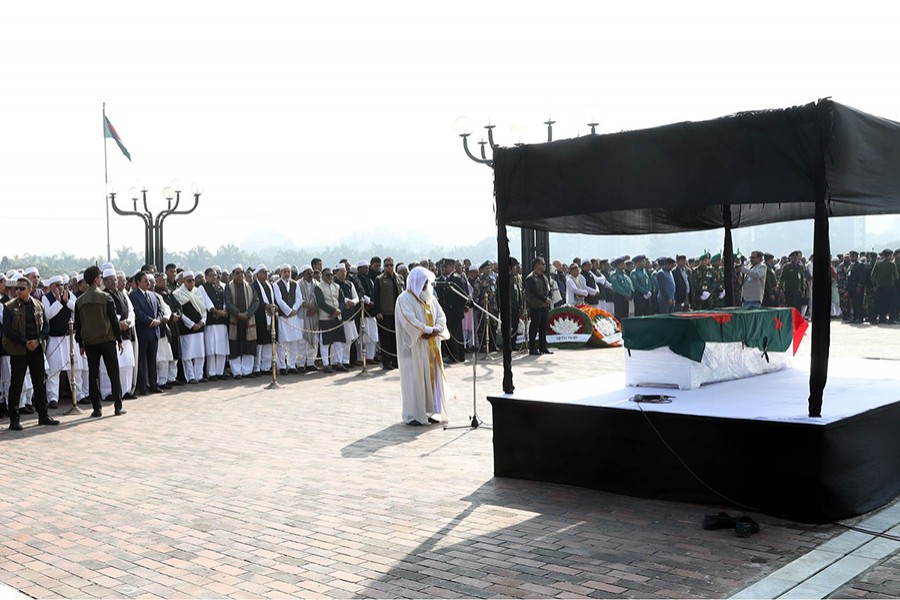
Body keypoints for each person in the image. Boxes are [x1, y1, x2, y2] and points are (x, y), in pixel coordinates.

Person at [396, 266, 450, 426]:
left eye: (428, 282)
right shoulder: (404, 299)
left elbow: (441, 316)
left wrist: (437, 329)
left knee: (433, 380)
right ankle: (413, 414)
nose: (427, 285)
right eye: (424, 282)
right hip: (415, 349)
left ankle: (434, 412)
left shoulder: (430, 298)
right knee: (415, 380)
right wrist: (428, 330)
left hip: (432, 346)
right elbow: (409, 320)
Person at [3, 277, 59, 430]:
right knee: (16, 384)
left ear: (29, 289)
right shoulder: (9, 307)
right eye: (17, 289)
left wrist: (38, 340)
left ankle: (43, 415)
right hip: (19, 349)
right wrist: (24, 342)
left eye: (21, 288)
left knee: (39, 383)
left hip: (36, 349)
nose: (18, 291)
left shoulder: (38, 305)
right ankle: (14, 419)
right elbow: (8, 329)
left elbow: (46, 327)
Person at [74, 266, 125, 419]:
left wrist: (81, 344)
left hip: (90, 342)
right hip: (107, 340)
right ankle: (118, 406)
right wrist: (119, 340)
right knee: (114, 374)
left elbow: (78, 324)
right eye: (100, 277)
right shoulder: (106, 297)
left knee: (92, 375)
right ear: (96, 279)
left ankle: (97, 409)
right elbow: (114, 321)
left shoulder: (79, 301)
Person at [41, 275, 86, 408]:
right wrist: (58, 303)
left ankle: (79, 395)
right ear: (50, 287)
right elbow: (47, 315)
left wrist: (66, 302)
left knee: (75, 368)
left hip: (70, 338)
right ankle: (53, 398)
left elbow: (77, 309)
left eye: (61, 285)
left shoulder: (69, 295)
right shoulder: (46, 298)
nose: (59, 287)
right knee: (53, 371)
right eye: (56, 285)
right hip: (55, 339)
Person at [129, 271, 164, 395]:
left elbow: (160, 309)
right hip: (143, 331)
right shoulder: (134, 296)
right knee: (142, 361)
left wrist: (158, 320)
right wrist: (150, 321)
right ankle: (143, 386)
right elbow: (138, 313)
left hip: (154, 332)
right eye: (145, 281)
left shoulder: (153, 295)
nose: (148, 283)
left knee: (152, 360)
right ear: (138, 282)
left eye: (148, 281)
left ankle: (154, 384)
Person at [224, 265, 259, 378]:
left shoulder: (249, 286)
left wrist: (248, 314)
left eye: (241, 273)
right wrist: (238, 313)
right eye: (237, 273)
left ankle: (247, 371)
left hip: (248, 320)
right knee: (235, 347)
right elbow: (228, 303)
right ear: (233, 274)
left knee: (248, 346)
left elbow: (256, 301)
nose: (240, 275)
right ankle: (237, 372)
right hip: (235, 320)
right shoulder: (228, 287)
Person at [174, 270, 207, 383]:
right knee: (188, 355)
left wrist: (202, 321)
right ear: (183, 281)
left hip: (200, 327)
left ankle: (199, 375)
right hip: (187, 328)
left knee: (200, 354)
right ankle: (191, 377)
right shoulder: (178, 293)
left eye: (193, 280)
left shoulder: (198, 292)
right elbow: (180, 313)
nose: (192, 283)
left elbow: (204, 309)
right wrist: (192, 324)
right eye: (189, 281)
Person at [315, 267, 347, 373]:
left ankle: (339, 363)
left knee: (338, 341)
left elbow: (342, 300)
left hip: (337, 317)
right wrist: (333, 311)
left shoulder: (336, 286)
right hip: (325, 317)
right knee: (325, 343)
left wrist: (338, 310)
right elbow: (321, 303)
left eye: (330, 275)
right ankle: (326, 364)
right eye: (327, 275)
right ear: (323, 276)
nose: (329, 277)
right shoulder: (319, 287)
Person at [273, 264, 304, 374]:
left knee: (294, 343)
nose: (287, 274)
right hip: (283, 317)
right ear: (281, 273)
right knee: (282, 343)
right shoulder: (276, 285)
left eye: (288, 272)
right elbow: (279, 300)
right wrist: (288, 311)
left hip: (293, 317)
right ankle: (282, 366)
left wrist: (294, 310)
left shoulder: (295, 284)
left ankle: (291, 365)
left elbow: (299, 299)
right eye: (284, 272)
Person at [200, 267, 229, 380]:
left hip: (222, 322)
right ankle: (211, 373)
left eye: (215, 275)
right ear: (206, 276)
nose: (214, 277)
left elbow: (225, 301)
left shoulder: (221, 287)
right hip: (211, 321)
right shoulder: (203, 287)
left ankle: (220, 372)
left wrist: (223, 311)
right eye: (211, 275)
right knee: (211, 349)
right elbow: (207, 302)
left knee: (221, 348)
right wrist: (215, 311)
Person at [374, 257, 403, 370]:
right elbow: (376, 297)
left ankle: (396, 361)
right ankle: (386, 362)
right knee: (385, 339)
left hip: (398, 312)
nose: (389, 267)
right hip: (385, 313)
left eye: (391, 265)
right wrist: (378, 311)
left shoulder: (400, 278)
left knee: (396, 338)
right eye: (386, 265)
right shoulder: (379, 279)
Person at [251, 265, 278, 377]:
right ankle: (257, 367)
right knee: (260, 344)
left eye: (266, 272)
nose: (266, 274)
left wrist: (273, 306)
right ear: (257, 274)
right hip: (260, 317)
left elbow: (273, 299)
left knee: (268, 343)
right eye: (263, 272)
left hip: (270, 316)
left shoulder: (269, 285)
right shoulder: (254, 286)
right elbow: (255, 300)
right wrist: (265, 305)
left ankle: (266, 367)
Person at [523, 257, 553, 355]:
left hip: (544, 305)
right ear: (537, 265)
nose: (544, 266)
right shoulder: (531, 278)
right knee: (534, 327)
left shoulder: (544, 277)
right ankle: (533, 348)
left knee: (543, 327)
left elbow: (548, 289)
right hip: (536, 305)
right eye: (543, 264)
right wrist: (544, 299)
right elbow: (534, 292)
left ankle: (543, 347)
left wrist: (548, 298)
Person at [871, 249, 898, 324]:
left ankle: (875, 318)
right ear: (889, 255)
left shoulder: (877, 263)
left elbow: (872, 276)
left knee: (878, 303)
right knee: (890, 303)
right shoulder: (892, 264)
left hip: (879, 286)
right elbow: (896, 276)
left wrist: (875, 284)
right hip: (889, 286)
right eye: (891, 255)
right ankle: (891, 319)